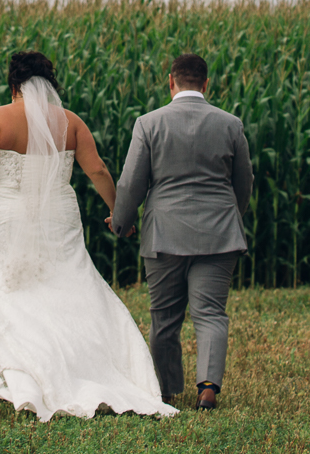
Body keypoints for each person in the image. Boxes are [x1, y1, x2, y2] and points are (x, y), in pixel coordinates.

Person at [0, 51, 176, 421]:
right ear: (50, 83)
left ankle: (24, 372)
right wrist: (119, 213)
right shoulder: (70, 123)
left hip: (4, 213)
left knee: (3, 288)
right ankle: (87, 366)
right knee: (69, 285)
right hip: (58, 216)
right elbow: (98, 170)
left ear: (13, 83)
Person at [107, 53, 252, 411]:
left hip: (165, 234)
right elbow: (243, 182)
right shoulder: (230, 124)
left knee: (165, 317)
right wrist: (231, 217)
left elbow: (131, 183)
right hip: (219, 234)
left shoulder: (149, 123)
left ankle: (167, 390)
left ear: (170, 82)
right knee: (211, 313)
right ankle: (207, 390)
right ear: (206, 84)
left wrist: (121, 222)